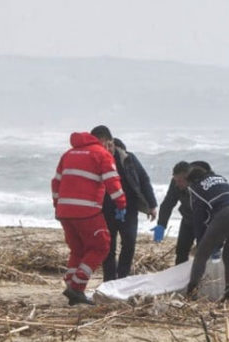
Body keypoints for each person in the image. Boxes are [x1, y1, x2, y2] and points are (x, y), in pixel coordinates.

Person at [51, 126, 127, 305]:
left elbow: (55, 183)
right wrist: (121, 204)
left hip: (64, 211)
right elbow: (112, 182)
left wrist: (58, 205)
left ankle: (71, 284)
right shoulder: (101, 154)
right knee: (101, 245)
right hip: (87, 210)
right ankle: (77, 287)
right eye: (110, 145)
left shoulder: (69, 154)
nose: (110, 149)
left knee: (78, 249)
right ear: (106, 141)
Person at [185, 167, 229, 303]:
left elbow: (199, 219)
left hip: (227, 214)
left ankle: (191, 292)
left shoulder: (196, 188)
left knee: (201, 255)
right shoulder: (221, 179)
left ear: (192, 181)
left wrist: (200, 242)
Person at [101, 137, 158, 281]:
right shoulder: (98, 159)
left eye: (110, 145)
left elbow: (144, 179)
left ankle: (123, 278)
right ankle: (108, 280)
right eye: (105, 146)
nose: (108, 149)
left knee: (129, 242)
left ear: (114, 144)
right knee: (108, 246)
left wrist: (151, 204)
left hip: (129, 207)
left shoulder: (128, 158)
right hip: (105, 208)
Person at [152, 160, 212, 265]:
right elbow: (168, 203)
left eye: (179, 181)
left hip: (205, 222)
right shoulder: (176, 183)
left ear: (188, 178)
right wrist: (161, 224)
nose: (177, 184)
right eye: (175, 180)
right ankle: (179, 278)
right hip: (188, 219)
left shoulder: (204, 182)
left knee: (203, 252)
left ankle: (201, 277)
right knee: (181, 251)